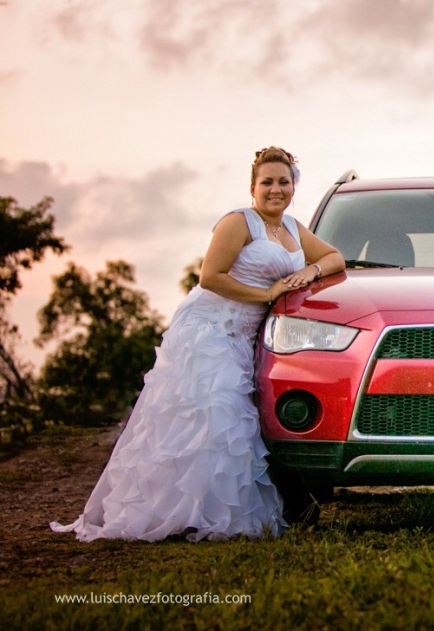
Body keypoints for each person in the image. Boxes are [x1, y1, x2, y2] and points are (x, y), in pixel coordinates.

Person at [51, 146, 345, 542]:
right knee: (212, 417)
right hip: (210, 329)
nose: (276, 189)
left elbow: (335, 258)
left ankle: (211, 509)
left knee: (237, 421)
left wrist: (310, 269)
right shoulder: (239, 222)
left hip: (248, 336)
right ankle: (184, 512)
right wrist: (269, 294)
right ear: (253, 187)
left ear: (294, 186)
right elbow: (210, 277)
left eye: (283, 182)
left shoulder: (292, 228)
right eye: (267, 183)